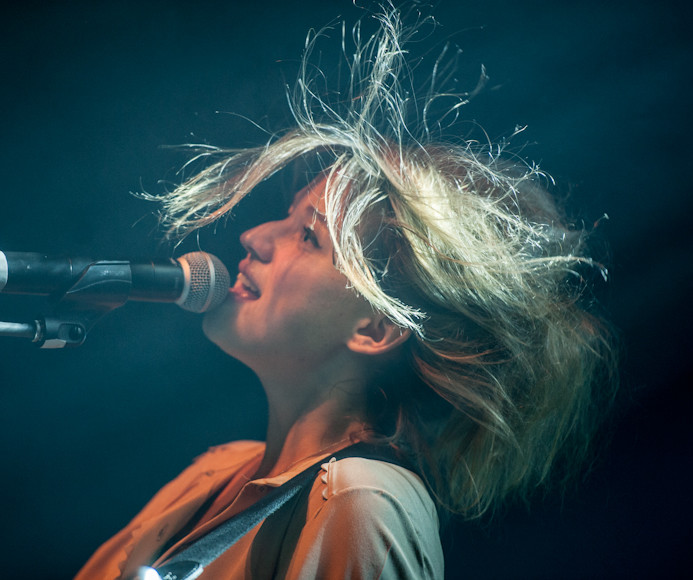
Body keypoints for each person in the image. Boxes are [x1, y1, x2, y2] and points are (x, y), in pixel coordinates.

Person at [75, 6, 617, 579]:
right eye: (285, 220)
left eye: (308, 237)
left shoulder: (363, 500)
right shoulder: (218, 475)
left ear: (376, 328)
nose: (255, 237)